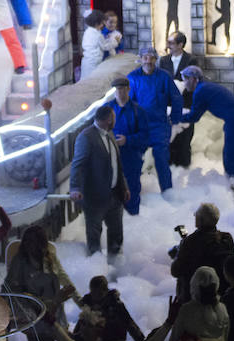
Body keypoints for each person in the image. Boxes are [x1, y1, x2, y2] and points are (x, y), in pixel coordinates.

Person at [179, 66, 234, 192]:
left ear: (193, 78)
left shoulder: (200, 91)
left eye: (185, 79)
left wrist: (175, 118)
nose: (184, 82)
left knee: (231, 160)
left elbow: (194, 116)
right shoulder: (205, 87)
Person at [70, 104, 129, 257]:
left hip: (114, 195)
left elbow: (117, 164)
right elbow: (78, 164)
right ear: (109, 119)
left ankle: (115, 268)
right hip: (95, 197)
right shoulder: (86, 137)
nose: (115, 120)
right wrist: (75, 187)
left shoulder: (110, 135)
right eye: (113, 117)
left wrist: (124, 187)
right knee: (94, 237)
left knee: (116, 235)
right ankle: (97, 271)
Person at [127, 48, 183, 199]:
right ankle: (133, 195)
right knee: (135, 161)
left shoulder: (164, 77)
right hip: (141, 126)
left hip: (159, 125)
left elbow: (176, 98)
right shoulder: (133, 78)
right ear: (141, 59)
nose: (148, 61)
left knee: (161, 160)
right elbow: (128, 103)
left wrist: (175, 118)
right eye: (145, 58)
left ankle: (168, 193)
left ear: (155, 60)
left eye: (151, 58)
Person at [171, 203, 234, 301]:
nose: (194, 215)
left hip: (194, 299)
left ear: (201, 220)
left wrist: (179, 251)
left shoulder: (191, 242)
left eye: (196, 214)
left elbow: (176, 271)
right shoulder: (227, 239)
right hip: (219, 295)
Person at [106, 76, 148, 216]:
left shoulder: (138, 111)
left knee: (132, 189)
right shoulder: (107, 110)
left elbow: (145, 136)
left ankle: (133, 219)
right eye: (117, 89)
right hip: (110, 157)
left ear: (128, 90)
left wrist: (128, 140)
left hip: (131, 157)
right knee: (111, 190)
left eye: (123, 89)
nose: (120, 92)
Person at [161, 31, 200, 167]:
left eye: (171, 43)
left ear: (180, 44)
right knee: (170, 137)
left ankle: (184, 167)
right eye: (168, 42)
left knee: (185, 138)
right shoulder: (164, 60)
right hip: (169, 105)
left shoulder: (191, 60)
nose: (168, 45)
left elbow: (194, 82)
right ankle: (170, 165)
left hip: (186, 104)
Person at [81, 10, 122, 80]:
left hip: (86, 60)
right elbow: (105, 46)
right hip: (94, 61)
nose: (103, 25)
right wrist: (116, 42)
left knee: (85, 77)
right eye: (102, 23)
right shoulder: (98, 35)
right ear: (97, 24)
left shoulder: (87, 32)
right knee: (93, 79)